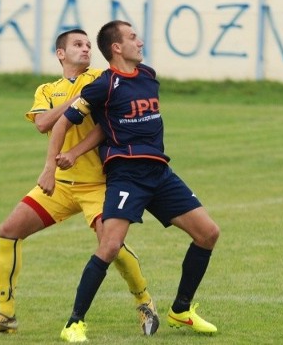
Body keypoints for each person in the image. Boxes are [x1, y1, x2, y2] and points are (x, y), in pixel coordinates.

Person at [38, 20, 220, 342]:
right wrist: (51, 168)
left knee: (208, 233)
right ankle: (74, 323)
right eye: (133, 37)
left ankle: (181, 311)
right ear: (117, 48)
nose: (140, 41)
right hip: (126, 176)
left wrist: (79, 151)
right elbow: (60, 124)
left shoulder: (148, 76)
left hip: (159, 173)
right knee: (109, 246)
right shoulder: (102, 86)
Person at [0, 28, 158, 336]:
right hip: (59, 184)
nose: (86, 49)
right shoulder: (47, 89)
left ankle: (145, 303)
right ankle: (6, 314)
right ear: (61, 53)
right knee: (8, 231)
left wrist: (85, 97)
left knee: (110, 245)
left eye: (88, 45)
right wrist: (80, 99)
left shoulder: (102, 79)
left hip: (98, 183)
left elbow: (104, 126)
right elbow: (44, 123)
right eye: (78, 44)